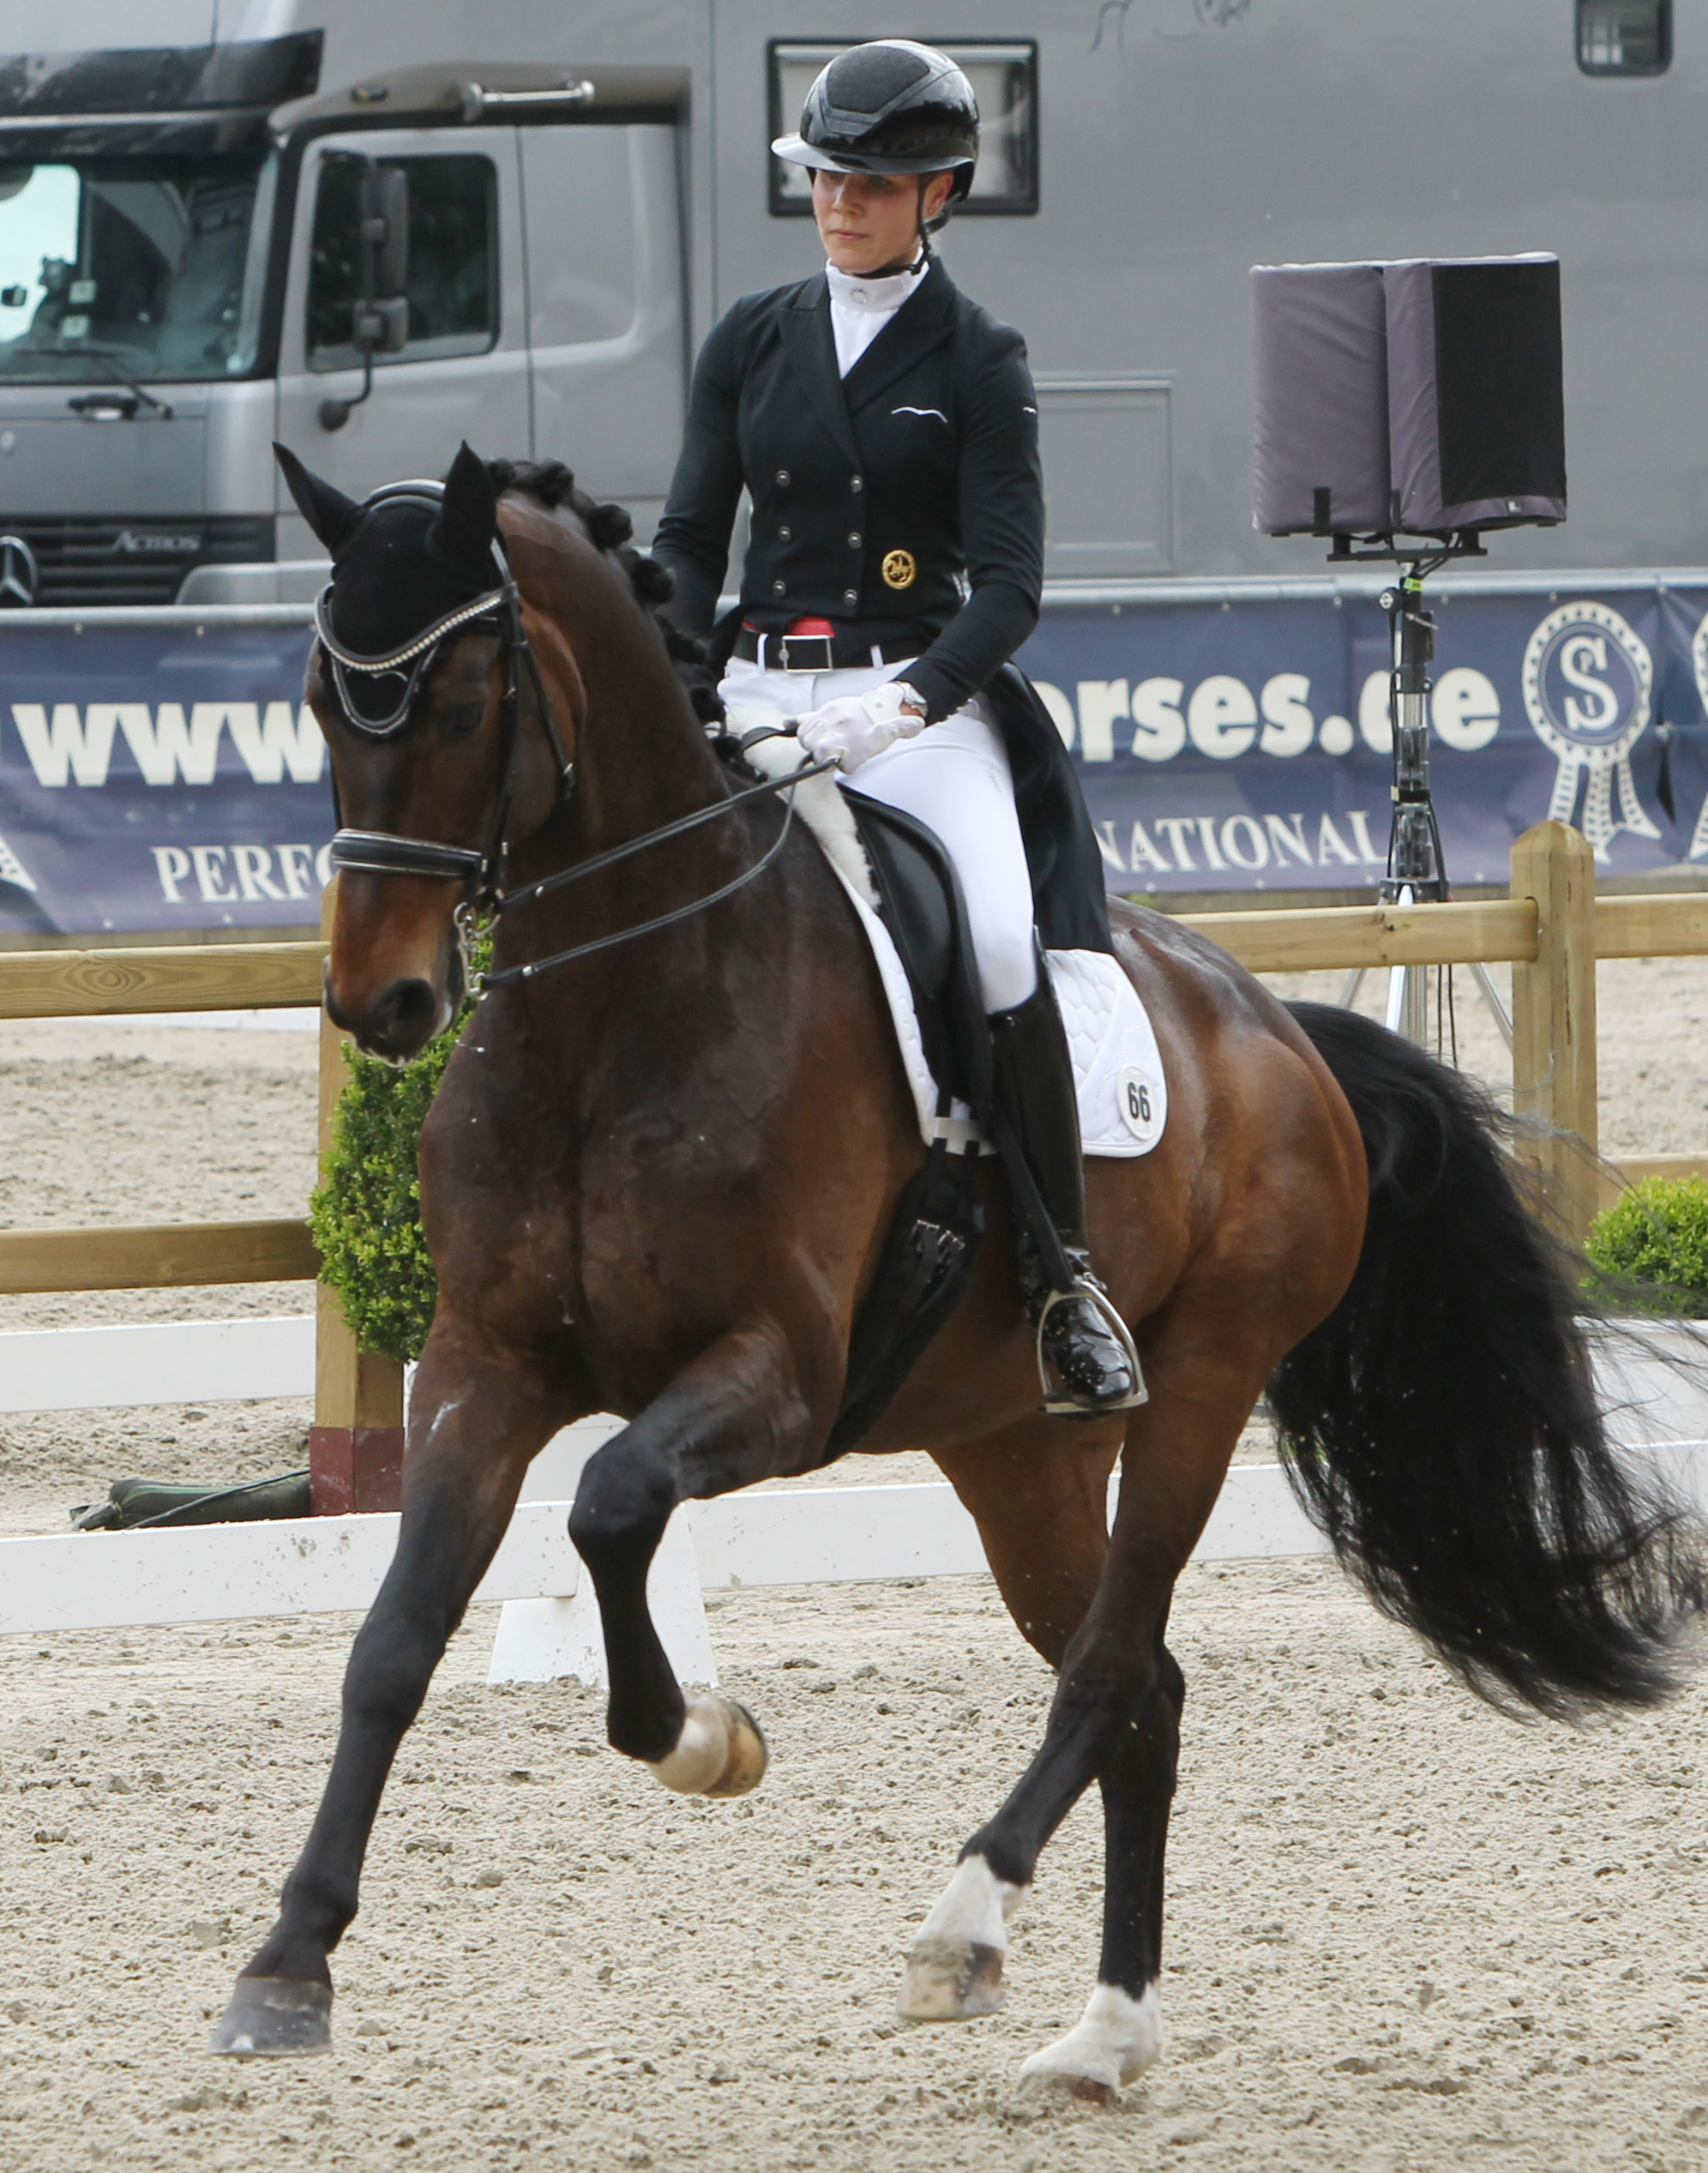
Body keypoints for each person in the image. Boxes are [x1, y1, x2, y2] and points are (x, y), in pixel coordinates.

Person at [651, 38, 1143, 1419]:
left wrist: (911, 697)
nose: (838, 204)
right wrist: (686, 673)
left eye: (869, 185)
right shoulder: (748, 339)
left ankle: (1064, 1278)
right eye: (824, 179)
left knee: (992, 937)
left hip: (914, 704)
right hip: (757, 691)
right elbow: (691, 539)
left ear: (937, 194)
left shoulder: (981, 356)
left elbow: (1013, 585)